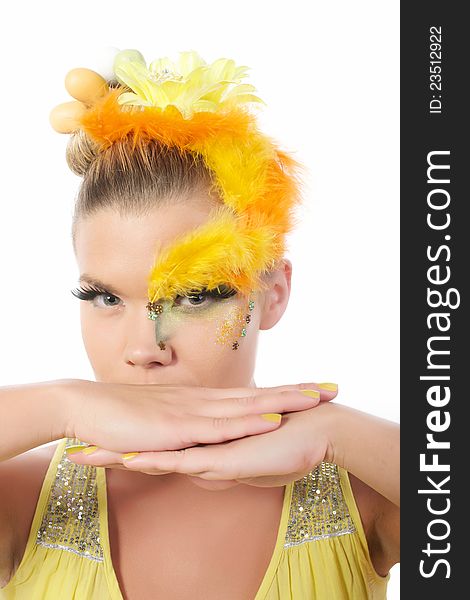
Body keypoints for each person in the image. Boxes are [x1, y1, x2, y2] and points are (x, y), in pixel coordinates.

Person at [0, 49, 399, 599]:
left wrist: (337, 435)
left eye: (192, 296)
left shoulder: (367, 497)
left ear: (274, 293)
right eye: (105, 297)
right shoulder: (23, 501)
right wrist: (58, 404)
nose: (144, 348)